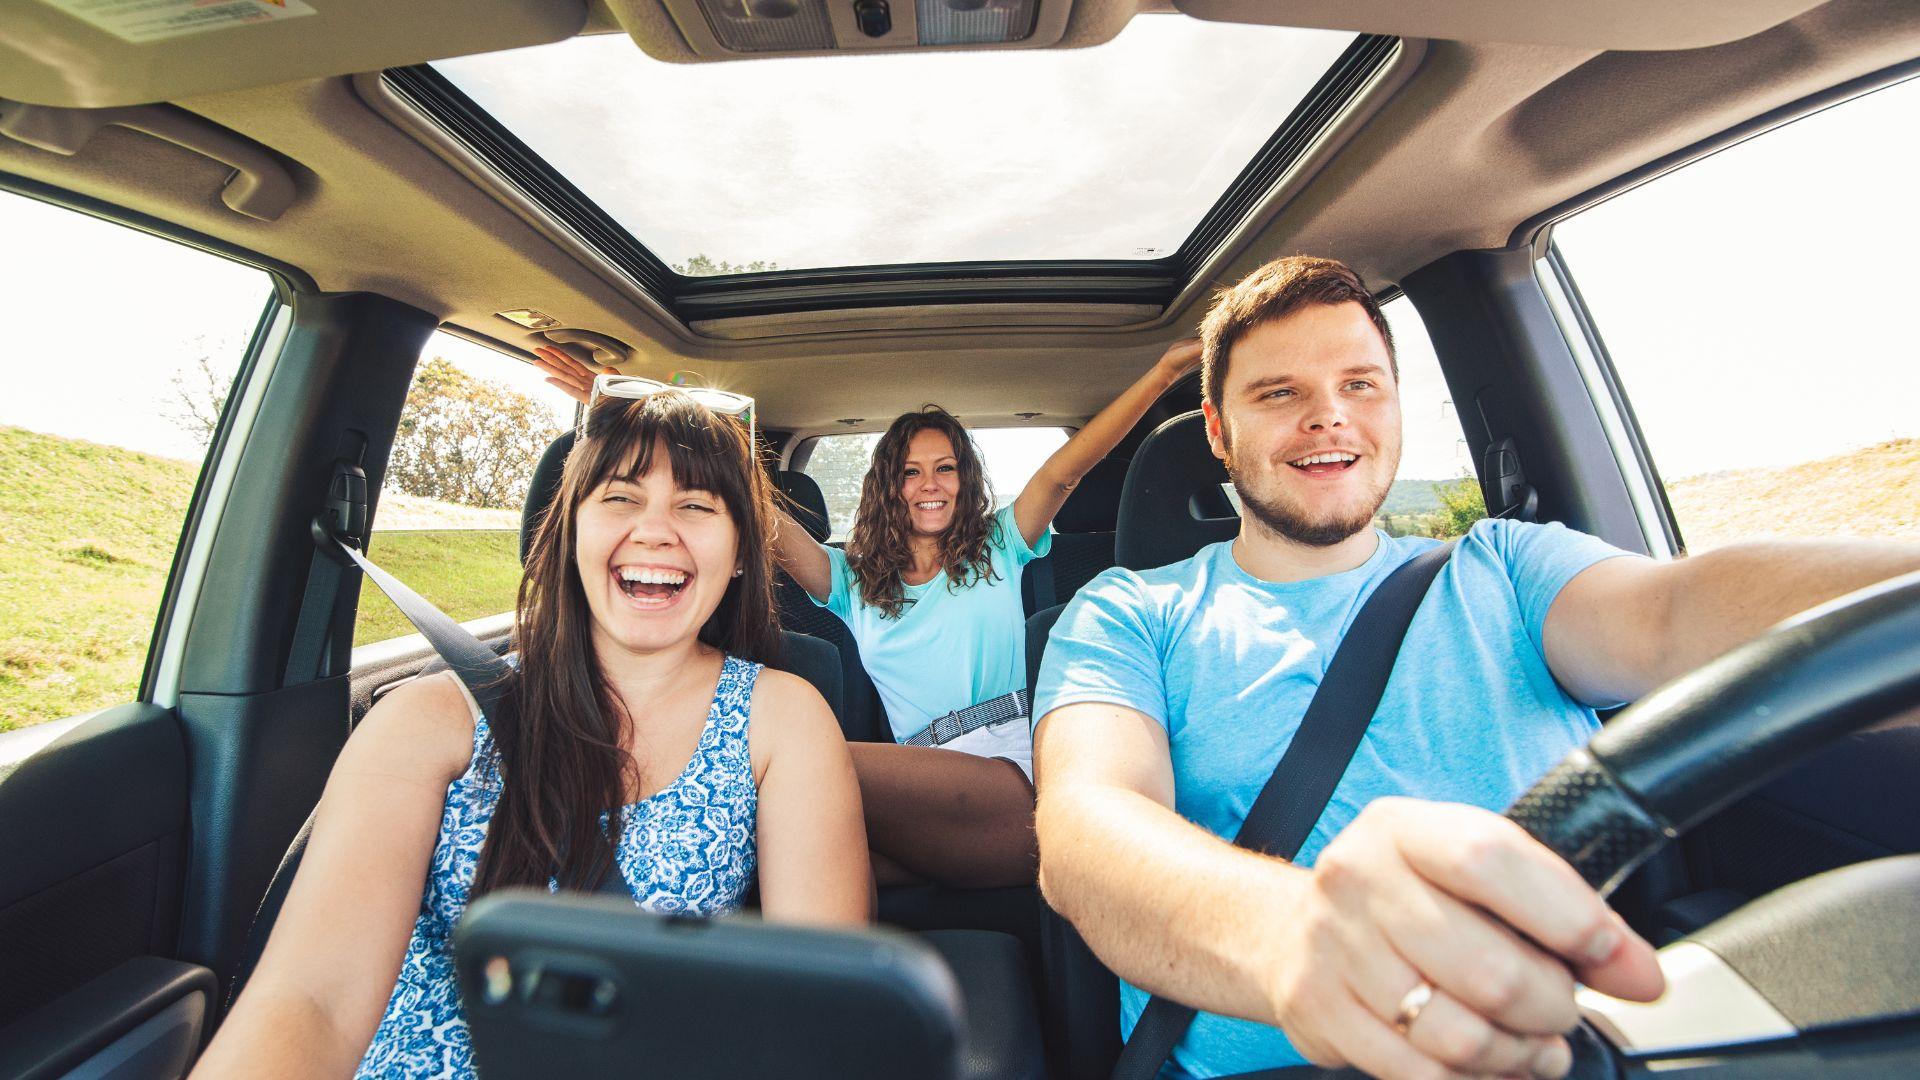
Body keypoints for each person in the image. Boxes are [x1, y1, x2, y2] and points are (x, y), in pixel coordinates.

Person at [1030, 255, 1920, 1080]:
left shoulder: (1508, 567)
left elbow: (1677, 610)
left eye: (1359, 385)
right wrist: (1296, 938)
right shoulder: (1127, 612)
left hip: (1561, 1049)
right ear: (1218, 435)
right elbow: (1088, 832)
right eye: (1279, 393)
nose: (1328, 414)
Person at [193, 387, 869, 1079]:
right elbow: (312, 1002)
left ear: (741, 553)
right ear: (572, 528)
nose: (657, 530)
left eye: (697, 506)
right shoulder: (430, 721)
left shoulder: (780, 718)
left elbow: (815, 1011)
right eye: (620, 497)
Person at [536, 341, 1203, 888]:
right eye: (912, 472)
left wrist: (1165, 372)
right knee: (765, 870)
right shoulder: (850, 580)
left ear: (965, 481)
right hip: (913, 795)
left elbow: (1065, 472)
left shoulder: (1002, 544)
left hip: (1018, 774)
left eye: (946, 468)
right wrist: (652, 408)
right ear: (889, 484)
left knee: (791, 754)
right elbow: (753, 507)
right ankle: (592, 886)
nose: (931, 485)